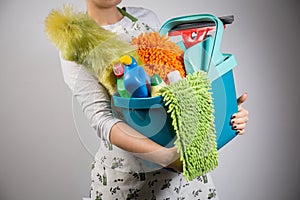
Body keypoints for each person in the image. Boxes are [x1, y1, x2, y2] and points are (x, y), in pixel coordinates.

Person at [59, 0, 249, 199]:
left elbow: (179, 92)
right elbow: (102, 119)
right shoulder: (74, 42)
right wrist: (167, 157)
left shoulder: (146, 19)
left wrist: (223, 114)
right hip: (130, 184)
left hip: (186, 180)